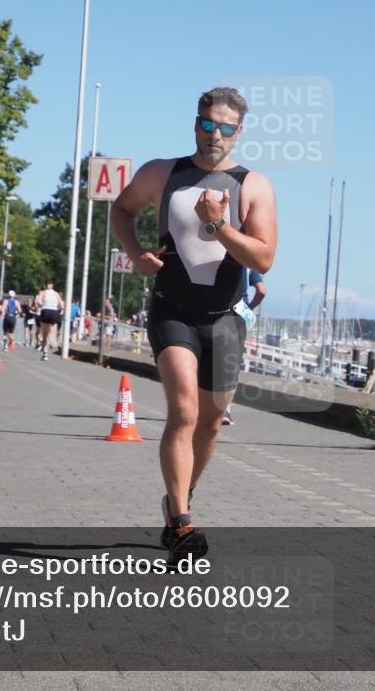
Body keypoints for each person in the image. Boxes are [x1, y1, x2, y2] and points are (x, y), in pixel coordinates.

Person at [112, 86, 277, 563]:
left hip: (226, 321)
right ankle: (182, 522)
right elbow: (122, 209)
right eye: (207, 124)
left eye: (225, 128)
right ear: (196, 124)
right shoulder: (162, 173)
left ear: (239, 132)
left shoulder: (254, 186)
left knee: (209, 425)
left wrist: (220, 226)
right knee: (184, 411)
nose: (215, 135)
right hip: (173, 311)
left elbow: (264, 255)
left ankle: (180, 496)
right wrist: (136, 254)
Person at [222, 269, 266, 425]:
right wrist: (249, 308)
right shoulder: (249, 263)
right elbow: (261, 291)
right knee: (232, 363)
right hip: (242, 312)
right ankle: (226, 410)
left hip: (219, 308)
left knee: (208, 357)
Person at [35, 281, 64, 360]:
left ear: (46, 286)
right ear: (52, 286)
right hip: (53, 312)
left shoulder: (43, 292)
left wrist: (43, 305)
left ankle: (45, 354)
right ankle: (52, 339)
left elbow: (38, 301)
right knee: (51, 331)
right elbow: (62, 305)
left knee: (44, 334)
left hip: (45, 311)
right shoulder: (56, 294)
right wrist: (56, 309)